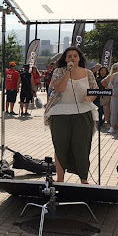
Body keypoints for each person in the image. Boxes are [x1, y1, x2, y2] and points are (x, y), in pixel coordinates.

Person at [43, 47, 98, 183]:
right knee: (60, 146)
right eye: (69, 56)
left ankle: (83, 178)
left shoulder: (88, 73)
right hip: (60, 113)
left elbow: (94, 91)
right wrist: (68, 72)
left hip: (82, 113)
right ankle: (60, 178)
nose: (72, 58)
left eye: (75, 56)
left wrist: (90, 98)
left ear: (79, 58)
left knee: (82, 146)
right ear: (65, 59)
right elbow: (59, 88)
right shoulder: (58, 72)